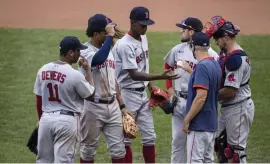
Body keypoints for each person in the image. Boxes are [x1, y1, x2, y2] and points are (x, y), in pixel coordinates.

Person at [112, 6, 179, 163]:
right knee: (126, 137)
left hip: (142, 95)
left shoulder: (143, 39)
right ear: (132, 22)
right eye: (142, 24)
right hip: (127, 95)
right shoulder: (124, 45)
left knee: (149, 137)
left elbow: (144, 66)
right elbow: (134, 74)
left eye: (146, 24)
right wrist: (160, 76)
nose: (145, 27)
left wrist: (150, 85)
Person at [163, 17, 219, 163]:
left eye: (184, 28)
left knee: (196, 149)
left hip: (198, 103)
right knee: (177, 143)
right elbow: (168, 68)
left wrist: (189, 70)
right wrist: (170, 89)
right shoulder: (177, 50)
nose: (181, 31)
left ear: (192, 31)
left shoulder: (211, 55)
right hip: (180, 102)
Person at [33, 36, 95, 163]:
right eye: (78, 51)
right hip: (67, 123)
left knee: (43, 161)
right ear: (70, 53)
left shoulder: (43, 69)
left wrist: (40, 120)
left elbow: (39, 98)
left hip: (46, 120)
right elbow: (91, 95)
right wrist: (88, 70)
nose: (80, 54)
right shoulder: (74, 74)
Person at [204, 16, 255, 163]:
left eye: (217, 37)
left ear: (226, 37)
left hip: (238, 108)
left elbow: (230, 91)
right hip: (230, 108)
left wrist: (206, 96)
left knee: (235, 153)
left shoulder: (235, 59)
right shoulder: (227, 54)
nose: (215, 41)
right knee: (220, 146)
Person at [78, 14, 128, 163]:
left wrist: (122, 106)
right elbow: (98, 59)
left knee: (119, 151)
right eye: (105, 33)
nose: (109, 36)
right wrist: (110, 37)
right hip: (92, 107)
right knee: (88, 151)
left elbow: (113, 81)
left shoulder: (108, 50)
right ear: (95, 34)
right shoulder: (84, 51)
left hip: (112, 107)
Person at [180, 32, 222, 163]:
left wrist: (187, 119)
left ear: (195, 47)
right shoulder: (215, 64)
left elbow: (201, 98)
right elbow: (206, 85)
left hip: (199, 125)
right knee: (208, 161)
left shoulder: (202, 67)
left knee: (195, 161)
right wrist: (190, 70)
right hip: (211, 124)